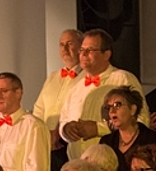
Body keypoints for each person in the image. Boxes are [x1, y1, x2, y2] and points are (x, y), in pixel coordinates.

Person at [60, 29, 150, 160]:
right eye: (81, 50)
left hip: (111, 164)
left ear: (106, 54)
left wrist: (98, 129)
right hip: (78, 164)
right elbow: (64, 118)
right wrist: (66, 130)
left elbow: (141, 121)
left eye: (90, 50)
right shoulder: (76, 85)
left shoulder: (122, 79)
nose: (83, 54)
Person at [99, 85, 156, 171]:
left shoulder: (151, 139)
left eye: (117, 105)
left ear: (132, 109)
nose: (112, 111)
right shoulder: (106, 142)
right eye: (109, 107)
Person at [34, 29, 85, 149]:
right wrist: (41, 134)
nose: (65, 48)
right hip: (47, 143)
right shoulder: (52, 77)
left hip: (72, 142)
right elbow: (39, 109)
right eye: (61, 45)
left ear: (81, 47)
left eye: (70, 44)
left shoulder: (87, 77)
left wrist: (61, 133)